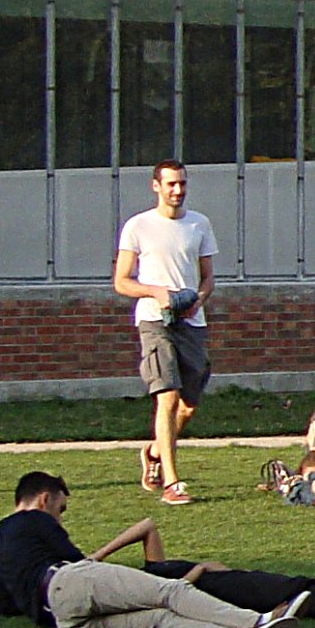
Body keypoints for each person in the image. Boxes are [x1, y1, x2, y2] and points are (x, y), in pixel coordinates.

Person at [0, 472, 303, 628]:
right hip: (68, 582)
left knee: (159, 620)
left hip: (61, 620)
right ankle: (258, 621)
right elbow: (76, 560)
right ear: (45, 499)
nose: (59, 518)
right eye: (61, 510)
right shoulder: (36, 519)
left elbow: (4, 602)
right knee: (169, 591)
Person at [114, 159, 218, 506]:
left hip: (191, 323)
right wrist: (156, 293)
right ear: (156, 186)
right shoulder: (138, 226)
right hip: (154, 321)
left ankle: (155, 452)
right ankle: (172, 484)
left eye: (182, 184)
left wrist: (197, 300)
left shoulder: (199, 224)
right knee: (168, 397)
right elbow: (121, 281)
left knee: (187, 407)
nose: (177, 190)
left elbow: (208, 278)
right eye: (171, 184)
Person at [109, 517, 315, 627]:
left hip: (226, 580)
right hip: (220, 591)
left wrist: (98, 556)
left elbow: (147, 526)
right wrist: (198, 570)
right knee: (294, 591)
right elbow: (167, 597)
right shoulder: (142, 586)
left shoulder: (151, 567)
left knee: (297, 591)